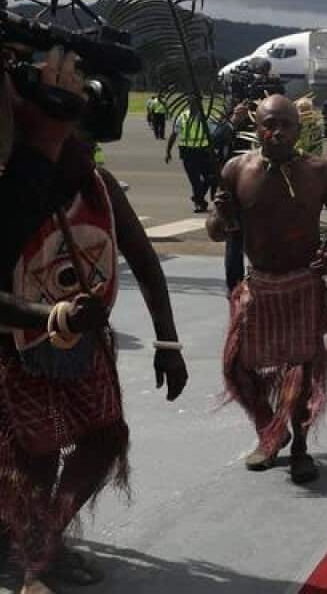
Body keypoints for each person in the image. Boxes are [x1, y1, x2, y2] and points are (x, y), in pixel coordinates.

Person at [0, 47, 188, 592]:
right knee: (31, 458)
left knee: (105, 438)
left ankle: (44, 537)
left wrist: (169, 342)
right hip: (15, 349)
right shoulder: (13, 178)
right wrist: (50, 313)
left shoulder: (95, 186)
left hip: (82, 346)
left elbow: (144, 259)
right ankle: (34, 546)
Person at [208, 94, 327, 484]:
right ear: (257, 126)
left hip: (303, 282)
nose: (278, 131)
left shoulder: (319, 172)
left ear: (298, 129)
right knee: (237, 367)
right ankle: (270, 432)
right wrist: (221, 212)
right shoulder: (236, 169)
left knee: (300, 372)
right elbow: (217, 231)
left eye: (286, 124)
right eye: (271, 123)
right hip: (260, 283)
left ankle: (300, 445)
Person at [221, 102, 257, 292]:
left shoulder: (267, 114)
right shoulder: (230, 116)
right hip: (234, 185)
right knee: (234, 238)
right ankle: (234, 286)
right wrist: (234, 120)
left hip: (261, 184)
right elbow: (217, 138)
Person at [165, 105, 216, 213]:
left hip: (203, 151)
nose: (192, 104)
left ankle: (198, 197)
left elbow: (214, 134)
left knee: (210, 177)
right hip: (188, 153)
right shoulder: (182, 116)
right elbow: (174, 134)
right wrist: (168, 151)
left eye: (194, 101)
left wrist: (214, 151)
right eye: (190, 101)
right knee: (195, 180)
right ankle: (199, 203)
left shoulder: (206, 117)